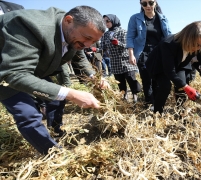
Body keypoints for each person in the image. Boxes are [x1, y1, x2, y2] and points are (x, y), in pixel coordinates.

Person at [0, 6, 109, 154]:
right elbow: (15, 74)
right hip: (7, 71)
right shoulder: (29, 25)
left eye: (93, 41)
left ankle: (56, 131)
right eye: (87, 38)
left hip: (32, 68)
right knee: (28, 115)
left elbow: (78, 54)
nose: (88, 45)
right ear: (69, 21)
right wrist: (73, 94)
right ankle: (54, 155)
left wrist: (94, 77)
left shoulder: (73, 31)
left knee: (57, 98)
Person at [146, 21, 201, 114]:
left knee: (182, 84)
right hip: (159, 65)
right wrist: (187, 87)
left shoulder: (199, 44)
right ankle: (157, 113)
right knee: (165, 86)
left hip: (179, 64)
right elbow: (169, 72)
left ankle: (181, 111)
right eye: (196, 44)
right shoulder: (168, 44)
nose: (197, 48)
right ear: (188, 38)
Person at [126, 0, 171, 107]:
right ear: (141, 5)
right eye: (144, 3)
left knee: (157, 78)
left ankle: (157, 103)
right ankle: (149, 102)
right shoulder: (135, 18)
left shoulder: (163, 18)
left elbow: (169, 36)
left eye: (150, 2)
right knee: (146, 79)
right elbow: (130, 37)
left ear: (155, 3)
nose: (148, 6)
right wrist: (131, 54)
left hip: (159, 53)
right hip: (143, 53)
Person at [101, 14, 141, 102]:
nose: (106, 23)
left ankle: (135, 95)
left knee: (130, 78)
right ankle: (124, 96)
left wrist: (118, 43)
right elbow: (102, 47)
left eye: (107, 21)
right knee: (119, 80)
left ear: (113, 21)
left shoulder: (123, 31)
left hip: (126, 59)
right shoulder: (105, 35)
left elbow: (128, 45)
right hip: (115, 61)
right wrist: (95, 49)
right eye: (104, 22)